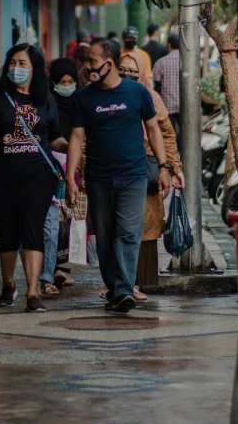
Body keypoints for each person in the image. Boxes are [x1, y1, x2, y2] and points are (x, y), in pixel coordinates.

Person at [66, 38, 171, 314]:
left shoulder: (137, 93)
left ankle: (125, 290)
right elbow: (76, 138)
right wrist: (69, 178)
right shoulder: (83, 97)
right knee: (104, 238)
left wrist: (164, 167)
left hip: (133, 176)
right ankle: (114, 290)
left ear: (109, 63)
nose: (88, 66)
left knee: (128, 233)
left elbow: (154, 130)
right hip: (98, 179)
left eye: (92, 61)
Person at [0, 43, 68, 313]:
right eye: (13, 63)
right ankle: (7, 286)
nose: (16, 68)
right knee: (8, 233)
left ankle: (32, 293)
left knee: (33, 231)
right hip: (1, 177)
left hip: (38, 178)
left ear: (35, 68)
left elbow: (54, 138)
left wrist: (72, 146)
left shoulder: (46, 101)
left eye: (23, 63)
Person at [118, 52, 184, 297]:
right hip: (115, 168)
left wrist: (173, 168)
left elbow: (166, 135)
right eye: (122, 70)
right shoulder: (106, 94)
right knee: (117, 227)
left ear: (143, 74)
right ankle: (117, 283)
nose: (127, 75)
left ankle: (137, 282)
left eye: (134, 72)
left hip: (147, 170)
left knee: (146, 225)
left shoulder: (152, 98)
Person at [39, 58, 80, 298]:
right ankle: (51, 268)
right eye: (61, 82)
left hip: (71, 164)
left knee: (68, 218)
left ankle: (61, 267)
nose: (67, 85)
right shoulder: (46, 102)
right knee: (53, 220)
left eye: (71, 81)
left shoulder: (81, 100)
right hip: (49, 164)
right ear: (52, 81)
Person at [152, 32, 180, 139]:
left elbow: (157, 86)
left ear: (169, 46)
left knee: (169, 136)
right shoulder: (189, 62)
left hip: (167, 105)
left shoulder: (160, 62)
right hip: (185, 105)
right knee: (186, 136)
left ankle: (172, 154)